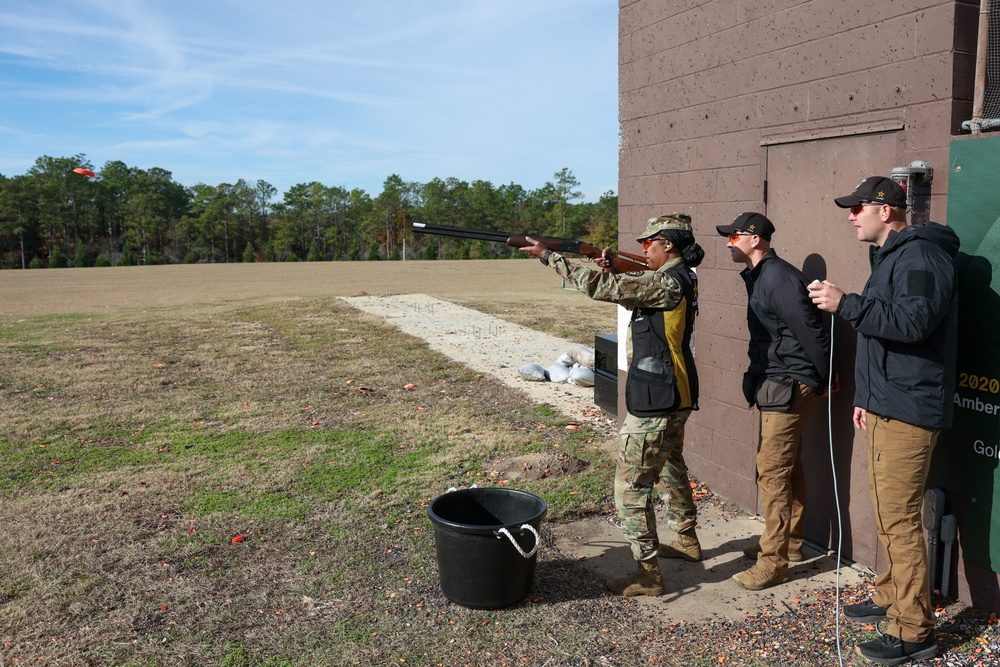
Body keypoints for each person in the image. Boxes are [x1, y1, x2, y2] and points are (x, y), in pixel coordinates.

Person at [809, 176, 959, 665]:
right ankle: (889, 596)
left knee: (898, 521)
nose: (851, 216)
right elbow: (886, 335)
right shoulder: (892, 257)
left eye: (857, 208)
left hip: (910, 411)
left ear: (886, 210)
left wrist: (845, 303)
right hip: (886, 405)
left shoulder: (921, 257)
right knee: (887, 513)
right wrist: (867, 397)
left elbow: (914, 324)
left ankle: (914, 630)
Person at [521, 213, 705, 596]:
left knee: (631, 487)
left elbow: (601, 287)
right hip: (675, 392)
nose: (643, 250)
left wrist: (548, 256)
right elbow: (630, 280)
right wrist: (611, 263)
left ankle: (649, 576)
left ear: (667, 244)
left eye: (647, 244)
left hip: (657, 397)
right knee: (671, 467)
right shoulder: (681, 275)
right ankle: (688, 540)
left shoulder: (667, 280)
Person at [715, 212, 831, 591]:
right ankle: (791, 544)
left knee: (772, 471)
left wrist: (825, 376)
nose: (728, 242)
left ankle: (773, 562)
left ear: (755, 239)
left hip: (791, 383)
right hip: (779, 381)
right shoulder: (762, 275)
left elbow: (809, 328)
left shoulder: (777, 277)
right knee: (788, 464)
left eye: (734, 236)